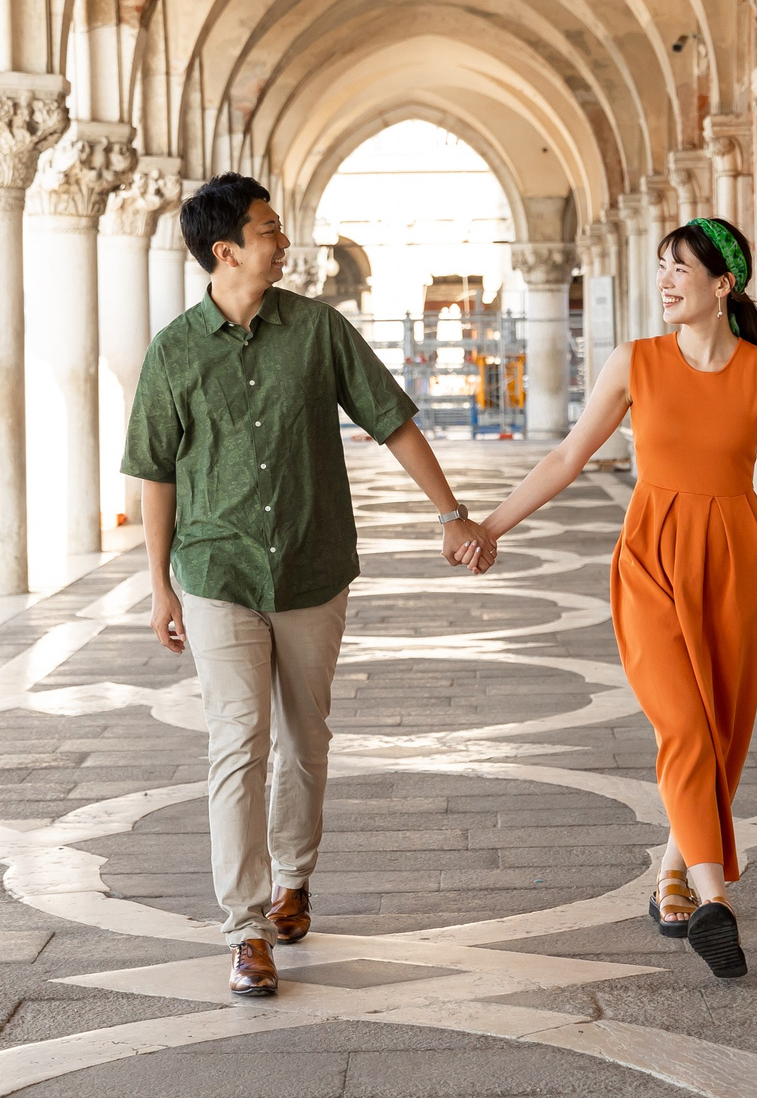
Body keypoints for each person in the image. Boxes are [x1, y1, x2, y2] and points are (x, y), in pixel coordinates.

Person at [121, 173, 497, 1000]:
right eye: (268, 229)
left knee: (304, 737)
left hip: (312, 565)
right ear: (226, 250)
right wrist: (159, 585)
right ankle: (246, 927)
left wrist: (452, 514)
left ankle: (293, 877)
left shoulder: (319, 331)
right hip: (216, 571)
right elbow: (155, 474)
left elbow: (392, 420)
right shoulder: (174, 352)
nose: (283, 241)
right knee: (237, 740)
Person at [460, 216, 757, 979]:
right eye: (661, 266)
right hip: (651, 559)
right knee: (682, 724)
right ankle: (715, 901)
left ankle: (673, 876)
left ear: (723, 285)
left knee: (720, 735)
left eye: (681, 268)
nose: (665, 281)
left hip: (738, 564)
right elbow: (568, 455)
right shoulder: (634, 362)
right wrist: (490, 525)